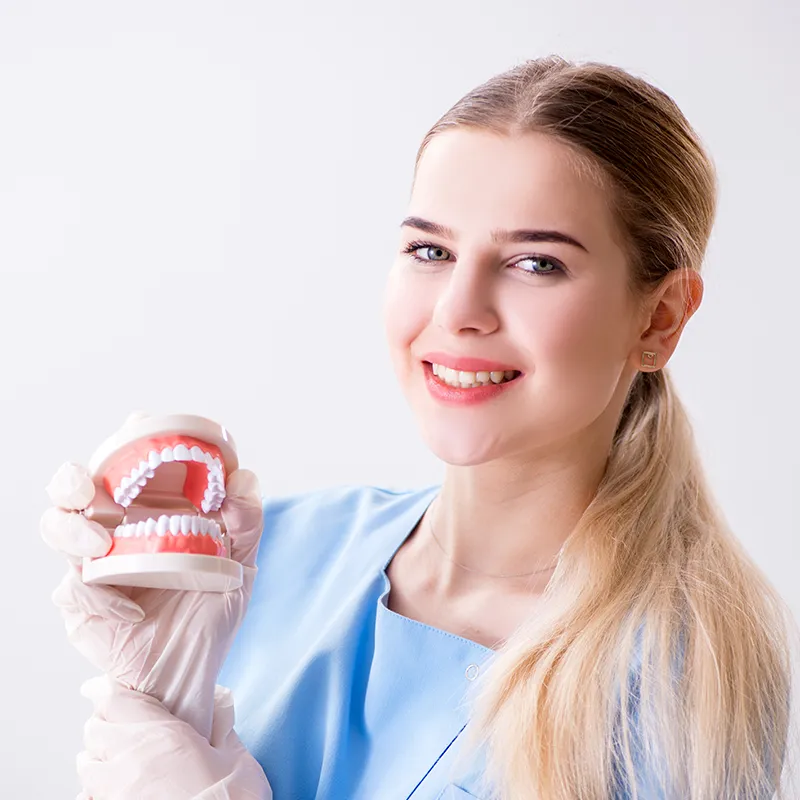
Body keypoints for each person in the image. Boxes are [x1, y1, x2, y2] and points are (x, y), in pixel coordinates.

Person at [42, 55, 795, 799]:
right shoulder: (274, 553)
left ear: (659, 318)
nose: (458, 310)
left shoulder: (683, 683)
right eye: (430, 251)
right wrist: (161, 685)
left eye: (536, 264)